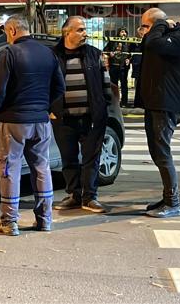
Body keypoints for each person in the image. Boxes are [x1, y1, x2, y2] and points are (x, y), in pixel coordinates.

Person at [0, 15, 65, 236]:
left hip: (14, 120)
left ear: (12, 30)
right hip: (40, 120)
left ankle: (9, 221)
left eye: (6, 33)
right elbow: (59, 87)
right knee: (42, 168)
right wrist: (44, 106)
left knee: (9, 168)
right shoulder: (47, 53)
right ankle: (45, 220)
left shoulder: (10, 53)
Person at [51, 16, 113, 214]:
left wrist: (104, 108)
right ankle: (74, 195)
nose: (84, 33)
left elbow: (106, 85)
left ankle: (90, 197)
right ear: (66, 32)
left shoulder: (94, 54)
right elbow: (45, 85)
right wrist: (48, 109)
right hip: (63, 118)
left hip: (91, 117)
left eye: (84, 30)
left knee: (91, 159)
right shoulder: (53, 56)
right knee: (69, 159)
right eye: (80, 30)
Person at [135, 8, 180, 218]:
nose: (143, 32)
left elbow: (153, 44)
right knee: (156, 152)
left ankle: (173, 202)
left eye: (145, 26)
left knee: (163, 152)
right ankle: (167, 198)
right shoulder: (161, 37)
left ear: (158, 25)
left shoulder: (177, 38)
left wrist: (158, 25)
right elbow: (148, 47)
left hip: (166, 103)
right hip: (155, 102)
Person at [107, 28, 131, 107]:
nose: (124, 34)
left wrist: (129, 59)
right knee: (114, 85)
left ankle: (124, 102)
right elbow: (106, 50)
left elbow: (132, 53)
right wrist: (110, 53)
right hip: (114, 66)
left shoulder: (128, 42)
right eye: (122, 32)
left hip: (123, 67)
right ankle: (114, 101)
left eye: (125, 32)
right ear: (118, 33)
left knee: (124, 85)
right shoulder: (113, 41)